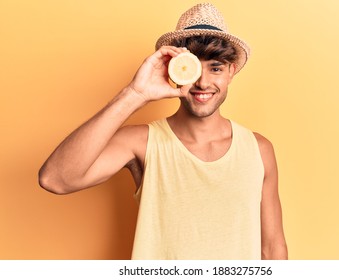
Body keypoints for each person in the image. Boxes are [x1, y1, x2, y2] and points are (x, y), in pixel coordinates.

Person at [38, 3, 287, 260]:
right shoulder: (141, 142)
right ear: (173, 70)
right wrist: (135, 94)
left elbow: (273, 248)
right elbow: (55, 179)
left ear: (231, 71)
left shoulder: (258, 149)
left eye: (215, 67)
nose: (202, 82)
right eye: (192, 68)